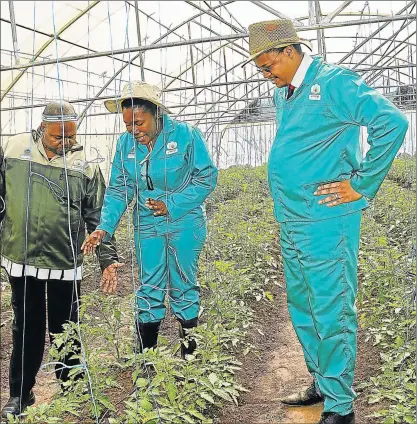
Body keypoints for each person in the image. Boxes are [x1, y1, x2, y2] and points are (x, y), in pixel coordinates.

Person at [243, 19, 408, 424]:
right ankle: (322, 381)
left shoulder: (334, 82)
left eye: (268, 66)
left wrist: (362, 184)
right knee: (303, 306)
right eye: (261, 70)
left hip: (326, 221)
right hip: (295, 219)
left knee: (331, 307)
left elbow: (393, 122)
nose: (266, 76)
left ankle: (340, 406)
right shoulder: (287, 92)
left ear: (288, 50)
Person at [0, 101, 121, 418]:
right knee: (26, 327)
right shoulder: (12, 148)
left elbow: (98, 215)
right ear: (41, 129)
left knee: (66, 330)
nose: (67, 142)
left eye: (71, 135)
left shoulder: (86, 162)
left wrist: (107, 258)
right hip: (21, 258)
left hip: (65, 260)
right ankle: (20, 395)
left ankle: (74, 393)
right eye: (58, 137)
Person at [82, 81, 218, 358]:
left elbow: (206, 177)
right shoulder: (124, 145)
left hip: (185, 221)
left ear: (157, 114)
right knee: (150, 285)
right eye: (128, 124)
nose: (133, 130)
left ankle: (189, 355)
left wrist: (171, 204)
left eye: (139, 122)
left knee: (183, 282)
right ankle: (148, 357)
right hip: (147, 224)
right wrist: (104, 227)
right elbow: (120, 189)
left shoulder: (186, 136)